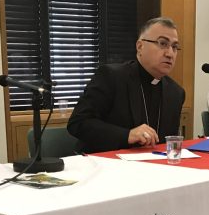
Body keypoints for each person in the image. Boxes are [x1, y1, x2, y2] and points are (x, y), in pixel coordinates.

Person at [67, 17, 186, 152]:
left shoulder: (176, 93)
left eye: (175, 47)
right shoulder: (111, 77)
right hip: (105, 165)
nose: (170, 53)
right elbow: (78, 124)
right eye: (162, 43)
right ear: (140, 46)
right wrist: (127, 135)